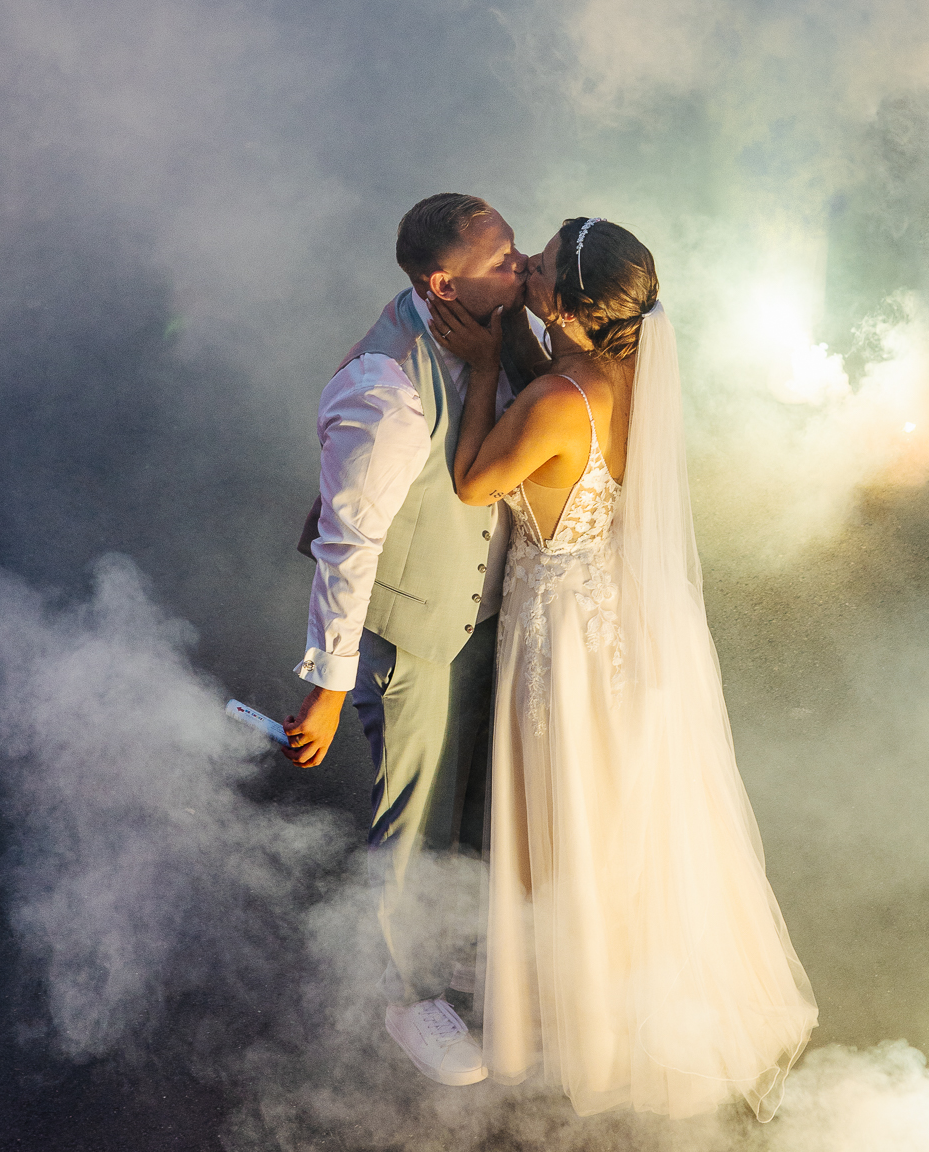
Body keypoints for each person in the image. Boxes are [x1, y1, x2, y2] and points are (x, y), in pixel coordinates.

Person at [448, 218, 819, 1120]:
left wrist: (490, 364)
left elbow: (473, 483)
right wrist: (530, 347)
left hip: (566, 633)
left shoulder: (545, 401)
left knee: (577, 812)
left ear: (571, 310)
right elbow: (566, 404)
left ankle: (592, 1033)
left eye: (537, 268)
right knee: (622, 819)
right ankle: (636, 1010)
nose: (524, 269)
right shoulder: (626, 374)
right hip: (616, 618)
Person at [281, 193, 525, 1087]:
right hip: (410, 632)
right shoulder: (386, 388)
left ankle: (471, 972)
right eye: (502, 259)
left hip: (476, 616)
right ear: (441, 282)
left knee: (473, 808)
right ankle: (405, 996)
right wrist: (329, 684)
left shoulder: (480, 325)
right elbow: (348, 546)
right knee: (413, 822)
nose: (522, 265)